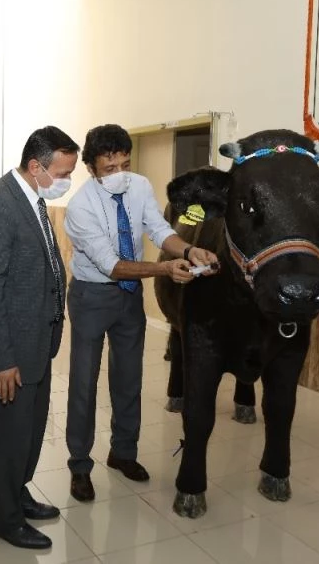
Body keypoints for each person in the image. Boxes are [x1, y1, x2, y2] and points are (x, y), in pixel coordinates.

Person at [63, 124, 218, 502]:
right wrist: (164, 269)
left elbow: (159, 229)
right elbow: (111, 265)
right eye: (109, 166)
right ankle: (80, 465)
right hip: (92, 296)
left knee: (129, 378)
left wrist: (185, 251)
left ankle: (123, 453)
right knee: (84, 383)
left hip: (129, 297)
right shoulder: (80, 207)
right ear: (91, 166)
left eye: (124, 163)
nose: (119, 172)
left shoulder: (140, 186)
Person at [0, 126, 78, 550]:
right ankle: (3, 517)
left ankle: (18, 491)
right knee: (10, 433)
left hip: (36, 339)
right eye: (63, 172)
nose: (67, 181)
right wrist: (2, 360)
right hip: (9, 346)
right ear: (35, 166)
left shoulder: (34, 199)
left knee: (30, 427)